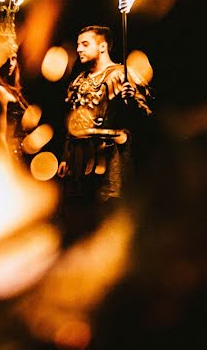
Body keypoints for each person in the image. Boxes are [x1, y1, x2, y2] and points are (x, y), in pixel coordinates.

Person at [57, 25, 151, 238]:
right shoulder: (79, 81)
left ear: (102, 46)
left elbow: (145, 115)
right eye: (79, 44)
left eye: (85, 44)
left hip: (109, 155)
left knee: (110, 212)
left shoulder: (121, 74)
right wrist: (65, 156)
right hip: (79, 157)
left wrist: (131, 100)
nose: (79, 49)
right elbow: (74, 122)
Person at [0, 51, 31, 162]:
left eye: (13, 58)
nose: (10, 63)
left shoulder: (12, 90)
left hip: (21, 153)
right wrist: (8, 164)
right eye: (5, 58)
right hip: (9, 154)